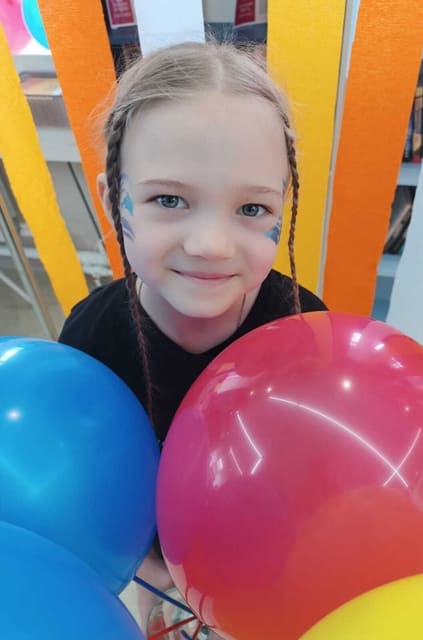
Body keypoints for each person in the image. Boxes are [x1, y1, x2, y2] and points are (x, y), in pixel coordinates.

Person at [58, 40, 327, 638]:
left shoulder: (302, 328)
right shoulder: (91, 338)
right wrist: (156, 574)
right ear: (112, 200)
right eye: (169, 200)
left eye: (252, 209)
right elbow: (90, 484)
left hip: (265, 573)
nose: (210, 244)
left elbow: (313, 474)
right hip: (150, 571)